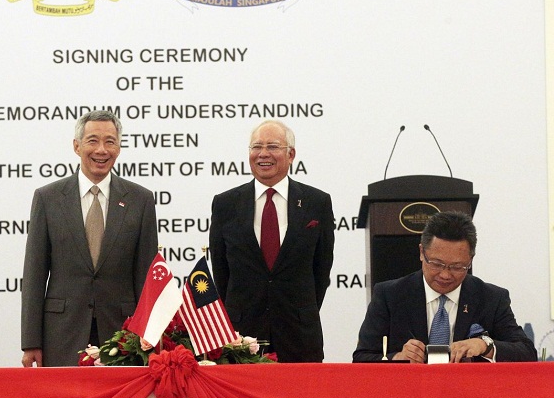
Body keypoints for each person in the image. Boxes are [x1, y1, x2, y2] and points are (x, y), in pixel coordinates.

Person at [21, 110, 158, 367]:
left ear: (119, 148)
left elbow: (146, 277)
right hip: (61, 333)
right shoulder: (48, 198)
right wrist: (31, 342)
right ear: (77, 146)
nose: (101, 150)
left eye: (110, 142)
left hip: (122, 333)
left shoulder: (141, 200)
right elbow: (34, 274)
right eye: (93, 141)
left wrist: (149, 339)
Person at [209, 120, 335, 362]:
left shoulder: (316, 202)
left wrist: (298, 311)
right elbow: (221, 272)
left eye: (273, 146)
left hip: (299, 336)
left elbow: (321, 271)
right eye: (256, 146)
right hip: (241, 337)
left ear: (291, 155)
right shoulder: (225, 204)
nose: (263, 154)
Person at [353, 211, 536, 363]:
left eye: (457, 267)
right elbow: (361, 358)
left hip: (468, 393)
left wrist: (486, 346)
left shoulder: (491, 298)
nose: (445, 275)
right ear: (421, 253)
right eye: (437, 264)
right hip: (409, 393)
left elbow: (527, 352)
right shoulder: (390, 295)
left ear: (470, 260)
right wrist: (397, 358)